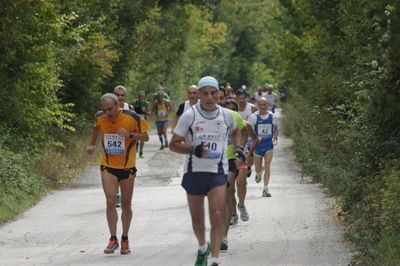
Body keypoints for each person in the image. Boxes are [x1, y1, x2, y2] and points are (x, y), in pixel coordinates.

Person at [169, 76, 242, 266]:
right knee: (198, 222)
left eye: (213, 93)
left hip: (218, 173)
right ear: (199, 95)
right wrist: (193, 149)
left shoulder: (227, 115)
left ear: (219, 94)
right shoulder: (190, 116)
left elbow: (235, 131)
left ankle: (215, 259)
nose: (209, 97)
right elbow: (173, 144)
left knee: (217, 214)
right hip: (194, 173)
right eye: (205, 93)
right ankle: (203, 247)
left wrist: (238, 147)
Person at [86, 93, 149, 255]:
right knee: (110, 200)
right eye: (104, 109)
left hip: (127, 167)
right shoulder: (100, 117)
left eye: (110, 109)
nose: (108, 113)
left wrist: (131, 135)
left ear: (118, 105)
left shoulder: (132, 117)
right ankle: (113, 238)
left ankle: (125, 238)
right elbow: (96, 129)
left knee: (126, 204)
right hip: (108, 165)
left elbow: (146, 137)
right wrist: (92, 145)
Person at [220, 99, 258, 251]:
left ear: (236, 112)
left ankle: (241, 205)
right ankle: (233, 212)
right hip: (227, 159)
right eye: (226, 110)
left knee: (241, 182)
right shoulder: (220, 123)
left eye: (232, 110)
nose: (229, 113)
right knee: (229, 190)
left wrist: (249, 151)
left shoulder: (244, 124)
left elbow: (256, 139)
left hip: (240, 158)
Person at [248, 97, 278, 197]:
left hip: (268, 145)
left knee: (268, 166)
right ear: (257, 106)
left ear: (267, 105)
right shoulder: (253, 117)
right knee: (257, 168)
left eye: (264, 104)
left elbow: (276, 129)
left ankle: (265, 189)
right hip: (258, 146)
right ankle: (259, 172)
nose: (262, 107)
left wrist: (275, 138)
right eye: (260, 105)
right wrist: (251, 141)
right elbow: (248, 130)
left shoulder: (272, 116)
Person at [114, 85, 132, 208]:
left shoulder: (129, 108)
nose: (120, 97)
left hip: (126, 145)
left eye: (122, 95)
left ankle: (124, 195)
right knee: (113, 171)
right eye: (117, 95)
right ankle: (116, 195)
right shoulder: (108, 108)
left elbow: (135, 126)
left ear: (125, 96)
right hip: (112, 144)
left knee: (124, 172)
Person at [132, 90, 151, 158]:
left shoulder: (146, 103)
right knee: (136, 136)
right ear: (138, 96)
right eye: (140, 96)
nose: (141, 97)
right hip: (135, 122)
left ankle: (141, 152)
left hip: (143, 122)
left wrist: (145, 111)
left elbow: (149, 114)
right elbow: (130, 112)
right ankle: (136, 145)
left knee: (142, 138)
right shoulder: (134, 103)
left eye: (142, 96)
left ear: (144, 97)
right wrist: (133, 110)